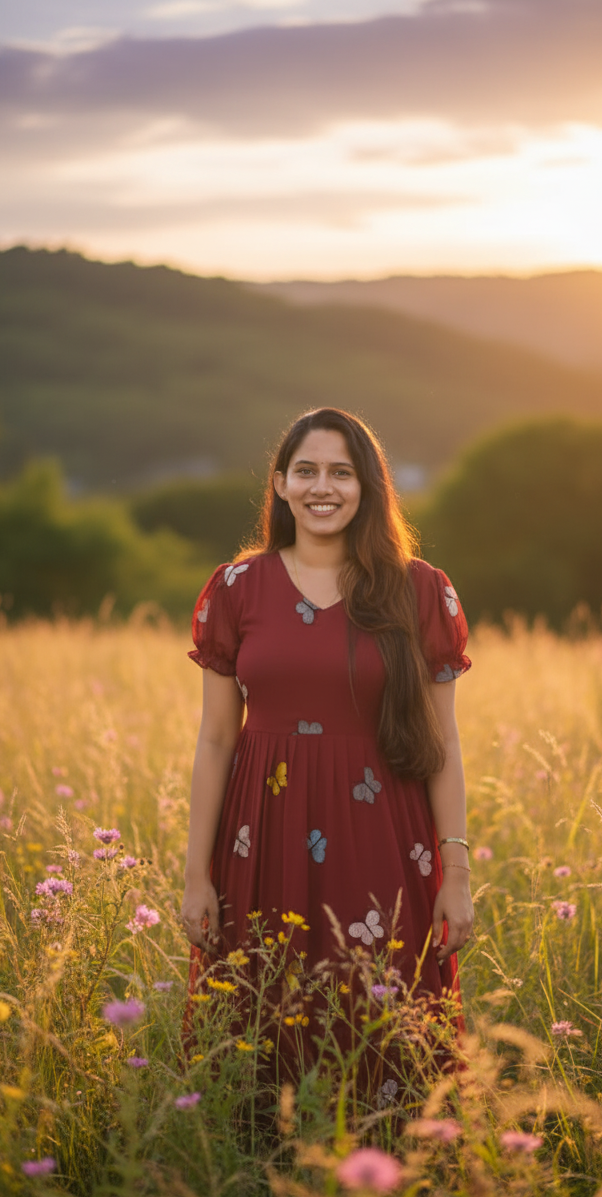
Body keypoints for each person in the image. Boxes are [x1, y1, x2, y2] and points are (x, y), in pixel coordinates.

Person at [180, 408, 474, 1071]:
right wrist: (197, 875)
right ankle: (263, 1170)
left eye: (342, 473)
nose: (323, 487)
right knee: (259, 1007)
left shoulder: (420, 591)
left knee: (384, 1014)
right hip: (262, 837)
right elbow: (217, 740)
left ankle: (393, 1165)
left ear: (368, 487)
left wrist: (456, 874)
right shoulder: (236, 588)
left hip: (384, 839)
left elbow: (445, 744)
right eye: (306, 471)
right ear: (280, 484)